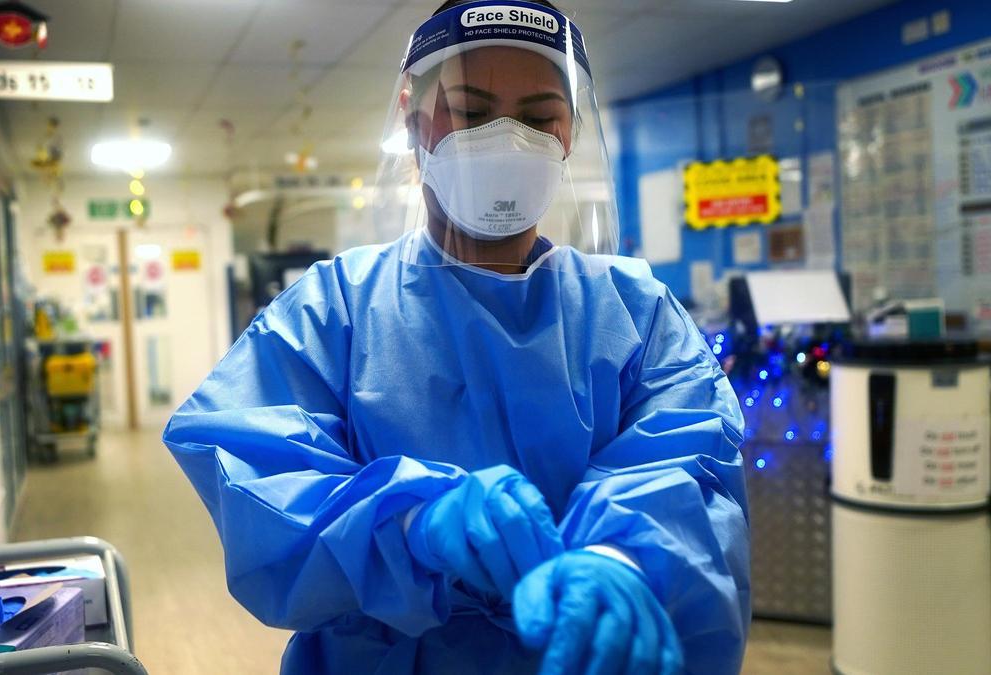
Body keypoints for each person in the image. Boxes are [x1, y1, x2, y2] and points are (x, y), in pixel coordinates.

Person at [163, 1, 750, 673]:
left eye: (537, 118)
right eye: (471, 113)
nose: (508, 140)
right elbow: (259, 482)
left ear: (569, 133)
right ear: (415, 122)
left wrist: (621, 559)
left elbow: (691, 469)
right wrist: (411, 524)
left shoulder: (637, 315)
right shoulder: (332, 313)